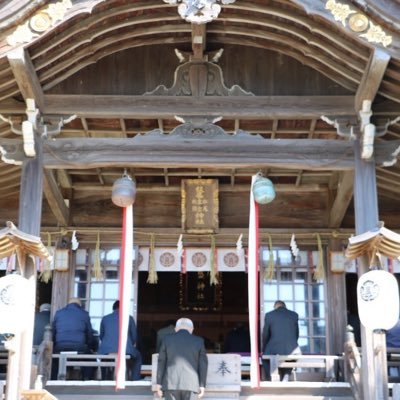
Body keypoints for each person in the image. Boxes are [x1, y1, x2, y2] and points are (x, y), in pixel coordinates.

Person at [156, 317, 208, 400]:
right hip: (191, 384)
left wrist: (158, 384)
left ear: (176, 329)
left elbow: (161, 361)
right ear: (192, 329)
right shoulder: (199, 341)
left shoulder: (167, 339)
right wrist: (202, 385)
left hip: (171, 383)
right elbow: (203, 365)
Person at [98, 300, 142, 380]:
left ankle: (104, 378)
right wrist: (128, 345)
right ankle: (135, 380)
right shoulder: (129, 318)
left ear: (113, 308)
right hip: (125, 350)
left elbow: (101, 336)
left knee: (103, 357)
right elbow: (134, 337)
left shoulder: (105, 318)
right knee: (138, 356)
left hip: (107, 350)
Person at [52, 297, 95, 380]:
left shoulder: (58, 313)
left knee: (55, 360)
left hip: (60, 347)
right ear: (79, 305)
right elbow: (89, 333)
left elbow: (53, 332)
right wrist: (90, 346)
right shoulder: (84, 314)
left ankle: (53, 378)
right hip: (79, 347)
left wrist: (55, 345)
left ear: (68, 304)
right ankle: (86, 379)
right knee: (90, 359)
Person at [262, 300, 300, 381]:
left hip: (275, 348)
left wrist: (264, 348)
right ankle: (286, 374)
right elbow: (296, 334)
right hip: (292, 348)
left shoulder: (269, 315)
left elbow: (265, 334)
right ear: (284, 306)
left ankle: (271, 377)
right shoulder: (294, 315)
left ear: (275, 307)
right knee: (290, 356)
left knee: (265, 358)